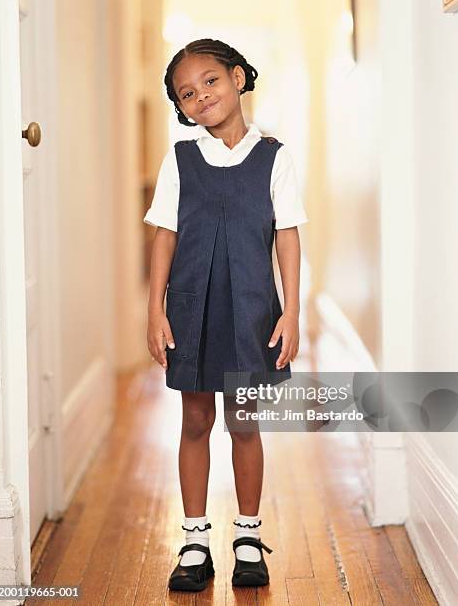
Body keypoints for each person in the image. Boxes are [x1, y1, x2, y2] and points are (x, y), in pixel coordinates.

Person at [145, 38, 308, 592]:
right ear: (182, 108)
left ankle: (246, 535)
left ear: (238, 78)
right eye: (187, 94)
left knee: (243, 421)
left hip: (250, 311)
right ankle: (193, 538)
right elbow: (165, 235)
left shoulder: (274, 155)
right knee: (195, 419)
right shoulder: (181, 158)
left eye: (210, 81)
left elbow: (286, 234)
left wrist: (291, 310)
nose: (201, 97)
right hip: (191, 308)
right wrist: (155, 309)